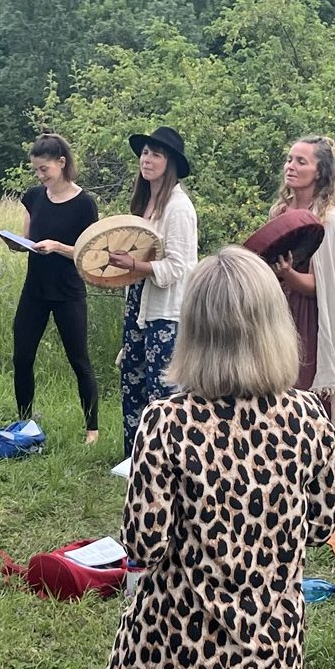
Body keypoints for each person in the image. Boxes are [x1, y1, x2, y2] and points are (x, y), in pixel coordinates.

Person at [93, 247, 335, 669]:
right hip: (268, 654)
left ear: (195, 330)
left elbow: (144, 544)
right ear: (273, 328)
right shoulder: (309, 418)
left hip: (173, 647)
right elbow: (323, 525)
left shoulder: (166, 422)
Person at [268, 135, 335, 453]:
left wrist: (289, 274)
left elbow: (325, 288)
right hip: (278, 314)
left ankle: (316, 468)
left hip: (312, 320)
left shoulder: (328, 219)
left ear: (320, 172)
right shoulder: (280, 212)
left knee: (307, 395)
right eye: (289, 159)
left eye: (301, 161)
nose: (291, 166)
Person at [106, 125, 197, 454]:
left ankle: (167, 460)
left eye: (155, 155)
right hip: (139, 303)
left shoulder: (179, 207)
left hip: (167, 312)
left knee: (163, 389)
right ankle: (135, 458)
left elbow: (179, 267)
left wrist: (134, 265)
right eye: (145, 153)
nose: (146, 159)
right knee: (132, 380)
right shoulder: (147, 202)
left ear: (169, 163)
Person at [10, 134, 102, 443]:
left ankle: (92, 430)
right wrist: (16, 244)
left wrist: (58, 246)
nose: (40, 175)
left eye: (44, 169)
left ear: (61, 163)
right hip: (35, 289)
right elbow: (27, 238)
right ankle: (24, 421)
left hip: (68, 291)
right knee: (22, 357)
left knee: (79, 360)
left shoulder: (84, 203)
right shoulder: (34, 197)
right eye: (36, 170)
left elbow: (90, 253)